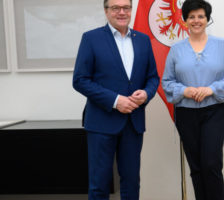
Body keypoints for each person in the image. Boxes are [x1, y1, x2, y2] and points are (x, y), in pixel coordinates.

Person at [72, 0, 159, 199]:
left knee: (131, 183)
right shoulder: (91, 38)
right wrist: (115, 100)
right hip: (101, 122)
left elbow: (153, 77)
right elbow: (80, 80)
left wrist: (146, 93)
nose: (121, 12)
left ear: (131, 10)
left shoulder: (143, 40)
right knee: (99, 185)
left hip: (133, 123)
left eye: (126, 8)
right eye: (115, 8)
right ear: (106, 11)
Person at [161, 0, 224, 199]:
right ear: (185, 20)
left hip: (214, 111)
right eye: (192, 17)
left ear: (207, 19)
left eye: (201, 16)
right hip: (185, 113)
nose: (196, 21)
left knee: (211, 164)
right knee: (195, 166)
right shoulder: (176, 49)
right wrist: (184, 91)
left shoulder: (221, 45)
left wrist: (211, 89)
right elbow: (167, 81)